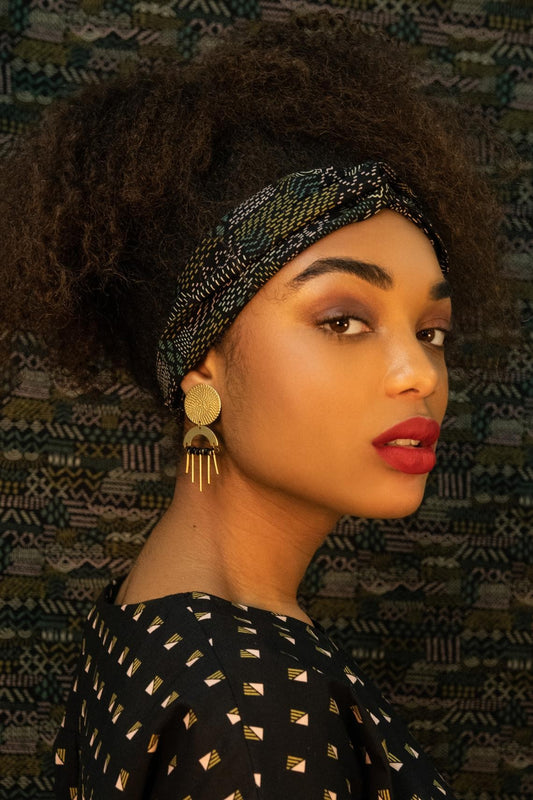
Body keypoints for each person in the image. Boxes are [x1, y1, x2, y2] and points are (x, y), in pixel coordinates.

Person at [0, 11, 510, 800]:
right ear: (202, 359)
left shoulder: (156, 613)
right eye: (342, 321)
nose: (418, 374)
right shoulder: (252, 715)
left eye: (431, 330)